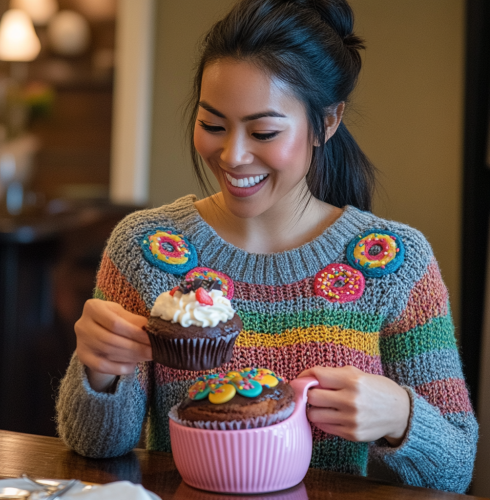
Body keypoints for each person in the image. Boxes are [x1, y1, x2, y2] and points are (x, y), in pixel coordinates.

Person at [56, 0, 478, 493]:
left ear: (328, 122)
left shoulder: (395, 263)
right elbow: (96, 446)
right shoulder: (145, 250)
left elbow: (456, 469)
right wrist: (100, 370)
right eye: (213, 125)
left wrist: (402, 415)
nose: (232, 155)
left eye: (264, 131)